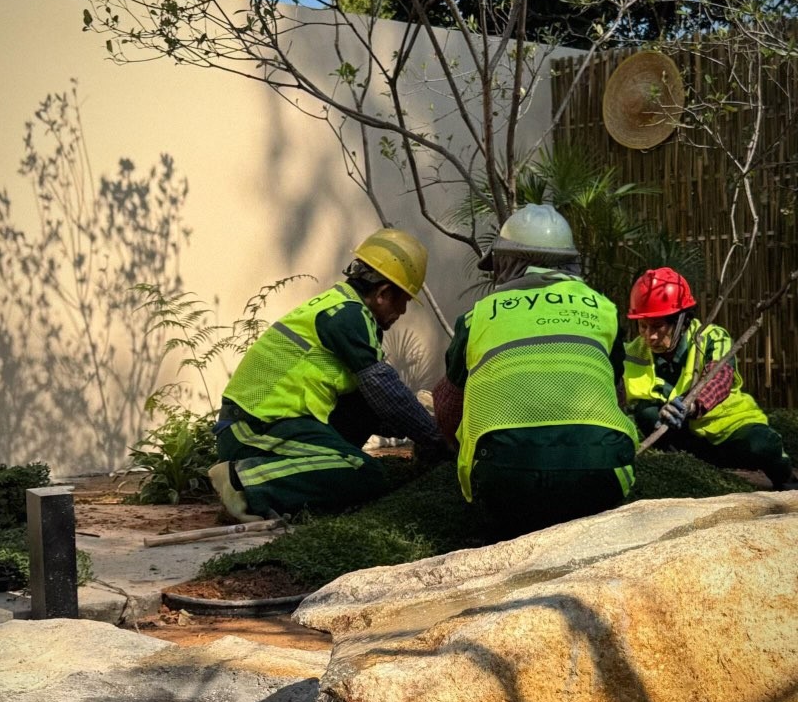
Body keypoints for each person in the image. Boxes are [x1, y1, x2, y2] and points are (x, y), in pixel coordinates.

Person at [209, 228, 446, 521]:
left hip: (274, 424)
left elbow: (376, 406)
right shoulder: (347, 316)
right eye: (405, 300)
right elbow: (385, 390)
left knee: (366, 404)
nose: (404, 311)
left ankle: (314, 473)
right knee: (367, 473)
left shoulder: (344, 309)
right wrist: (437, 438)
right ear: (384, 293)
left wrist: (420, 422)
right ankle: (243, 483)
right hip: (255, 430)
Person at [432, 204, 637, 539]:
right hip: (602, 474)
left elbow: (447, 408)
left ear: (506, 263)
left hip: (504, 481)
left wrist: (466, 450)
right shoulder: (603, 310)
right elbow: (618, 395)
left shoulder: (477, 317)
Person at [623, 267, 794, 488]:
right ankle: (684, 465)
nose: (650, 336)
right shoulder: (633, 352)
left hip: (728, 428)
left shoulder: (712, 337)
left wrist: (692, 405)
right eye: (643, 326)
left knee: (763, 445)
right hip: (682, 438)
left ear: (681, 321)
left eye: (657, 327)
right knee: (646, 413)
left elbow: (720, 378)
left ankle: (786, 479)